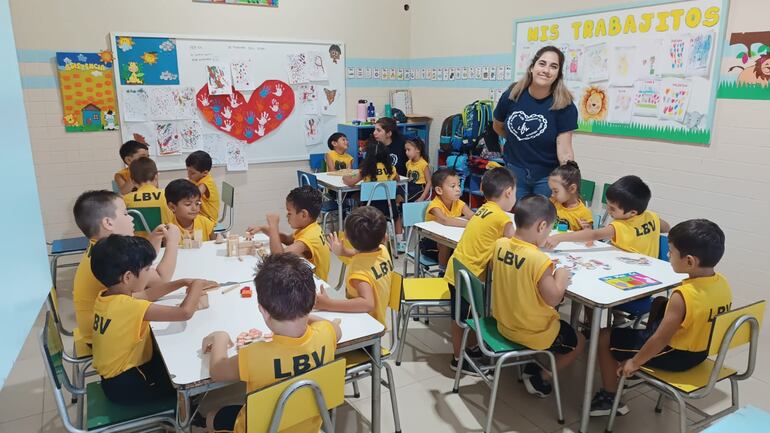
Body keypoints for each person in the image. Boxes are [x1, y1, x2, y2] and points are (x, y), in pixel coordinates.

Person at [589, 219, 732, 416]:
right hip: (701, 351)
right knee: (658, 304)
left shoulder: (683, 296)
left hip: (676, 356)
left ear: (689, 261)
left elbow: (660, 339)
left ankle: (610, 397)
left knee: (604, 335)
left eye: (671, 252)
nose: (667, 255)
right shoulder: (722, 283)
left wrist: (635, 362)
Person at [201, 253, 342, 433]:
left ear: (263, 310)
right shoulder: (326, 334)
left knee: (213, 416)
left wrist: (220, 337)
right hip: (308, 427)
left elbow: (217, 371)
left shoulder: (254, 355)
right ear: (313, 301)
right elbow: (335, 328)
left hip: (258, 428)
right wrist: (304, 313)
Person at [89, 234, 216, 403]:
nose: (150, 273)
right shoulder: (129, 307)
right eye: (147, 269)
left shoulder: (107, 297)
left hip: (116, 377)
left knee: (171, 359)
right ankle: (177, 419)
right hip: (128, 384)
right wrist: (197, 285)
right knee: (187, 385)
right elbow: (184, 313)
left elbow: (148, 294)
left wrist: (183, 282)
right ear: (128, 277)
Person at [491, 195, 584, 397]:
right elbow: (554, 299)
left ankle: (534, 363)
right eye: (549, 229)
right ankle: (542, 377)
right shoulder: (538, 259)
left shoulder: (500, 244)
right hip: (531, 331)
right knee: (579, 340)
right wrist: (560, 276)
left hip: (503, 323)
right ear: (542, 226)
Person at [71, 190, 180, 352]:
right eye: (125, 213)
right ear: (108, 223)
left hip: (96, 327)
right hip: (106, 339)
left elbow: (140, 264)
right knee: (172, 343)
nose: (131, 218)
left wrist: (154, 239)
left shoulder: (100, 246)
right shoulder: (112, 255)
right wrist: (173, 242)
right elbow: (160, 280)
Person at [444, 167, 517, 373]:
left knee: (464, 316)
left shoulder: (484, 210)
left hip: (458, 270)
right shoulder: (501, 218)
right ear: (509, 192)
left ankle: (470, 350)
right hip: (469, 277)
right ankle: (458, 359)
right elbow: (515, 244)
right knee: (461, 319)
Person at [493, 46, 578, 200]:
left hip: (546, 177)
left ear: (558, 74)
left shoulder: (565, 105)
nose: (546, 70)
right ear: (532, 67)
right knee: (514, 217)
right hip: (514, 171)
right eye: (542, 63)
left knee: (540, 220)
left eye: (553, 66)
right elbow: (497, 126)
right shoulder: (512, 95)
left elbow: (564, 149)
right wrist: (519, 140)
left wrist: (569, 178)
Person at [316, 206, 393, 326]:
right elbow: (363, 254)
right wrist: (343, 252)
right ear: (384, 238)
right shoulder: (382, 250)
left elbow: (367, 303)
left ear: (346, 236)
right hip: (376, 319)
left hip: (366, 325)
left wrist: (328, 304)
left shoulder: (359, 274)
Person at [246, 186, 330, 281]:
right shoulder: (311, 227)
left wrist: (274, 226)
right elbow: (287, 239)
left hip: (313, 287)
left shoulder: (309, 237)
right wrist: (263, 228)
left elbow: (278, 259)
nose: (287, 215)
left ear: (304, 215)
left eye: (289, 213)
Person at [423, 168, 474, 270]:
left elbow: (472, 216)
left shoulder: (458, 202)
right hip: (430, 242)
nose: (458, 189)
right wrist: (470, 224)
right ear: (439, 190)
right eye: (453, 186)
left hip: (451, 241)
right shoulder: (435, 205)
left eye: (459, 185)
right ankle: (442, 271)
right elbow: (445, 220)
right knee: (444, 241)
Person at [343, 140, 400, 223]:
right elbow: (397, 180)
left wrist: (345, 178)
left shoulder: (367, 169)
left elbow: (350, 183)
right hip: (388, 207)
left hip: (369, 209)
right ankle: (399, 236)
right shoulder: (391, 168)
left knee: (355, 196)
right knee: (397, 217)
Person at [122, 157, 173, 236]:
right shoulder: (167, 195)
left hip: (138, 243)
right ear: (156, 176)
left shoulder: (125, 199)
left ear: (133, 181)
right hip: (164, 240)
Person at [165, 179, 215, 243]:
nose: (194, 208)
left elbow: (215, 246)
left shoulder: (205, 223)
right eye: (188, 204)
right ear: (172, 207)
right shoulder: (169, 229)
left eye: (197, 203)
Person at [548, 161, 593, 231]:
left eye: (556, 191)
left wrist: (586, 229)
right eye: (552, 190)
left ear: (572, 189)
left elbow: (589, 239)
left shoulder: (584, 213)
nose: (552, 195)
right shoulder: (553, 202)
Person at [186, 150, 220, 223]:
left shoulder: (206, 183)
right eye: (187, 171)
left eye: (192, 173)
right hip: (198, 216)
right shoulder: (196, 178)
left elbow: (194, 197)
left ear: (205, 173)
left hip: (208, 220)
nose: (188, 175)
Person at [405, 137, 432, 202]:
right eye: (405, 150)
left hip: (419, 188)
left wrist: (422, 197)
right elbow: (408, 178)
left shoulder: (423, 164)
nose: (406, 152)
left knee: (405, 198)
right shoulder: (408, 163)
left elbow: (429, 182)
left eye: (408, 150)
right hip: (409, 186)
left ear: (418, 150)